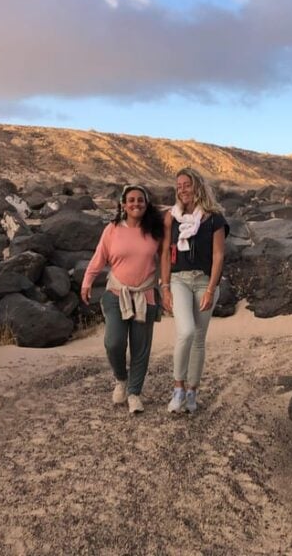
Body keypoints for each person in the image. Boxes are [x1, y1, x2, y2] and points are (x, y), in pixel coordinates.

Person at [81, 184, 164, 415]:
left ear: (146, 204)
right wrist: (87, 282)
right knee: (113, 342)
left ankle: (134, 393)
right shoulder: (112, 229)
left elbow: (167, 259)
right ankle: (121, 378)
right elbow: (99, 257)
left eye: (140, 200)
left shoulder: (155, 231)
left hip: (146, 295)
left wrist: (167, 289)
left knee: (141, 348)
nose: (136, 204)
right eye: (131, 200)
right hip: (117, 293)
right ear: (123, 204)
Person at [161, 167, 229, 414]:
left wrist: (211, 289)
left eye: (186, 184)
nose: (182, 190)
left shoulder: (213, 218)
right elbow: (165, 254)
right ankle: (178, 388)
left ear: (197, 186)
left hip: (204, 282)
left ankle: (192, 391)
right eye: (178, 186)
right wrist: (165, 286)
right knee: (186, 332)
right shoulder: (172, 217)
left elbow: (218, 256)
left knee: (199, 339)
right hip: (179, 280)